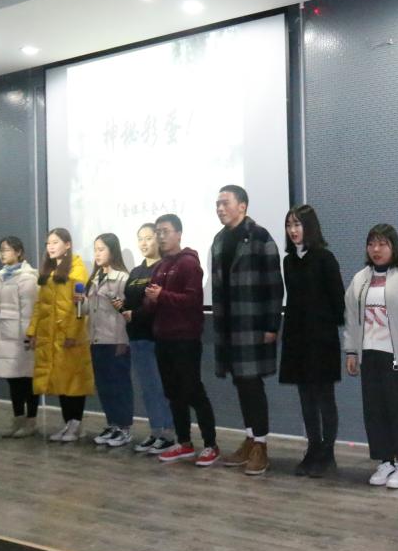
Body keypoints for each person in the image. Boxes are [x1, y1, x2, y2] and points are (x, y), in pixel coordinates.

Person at [344, 224, 398, 488]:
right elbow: (351, 318)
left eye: (382, 244)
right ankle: (385, 461)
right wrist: (351, 351)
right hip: (369, 354)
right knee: (374, 411)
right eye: (371, 244)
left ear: (393, 246)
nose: (376, 249)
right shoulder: (361, 278)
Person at [212, 185, 284, 476]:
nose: (220, 208)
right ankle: (250, 437)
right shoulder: (219, 240)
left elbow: (275, 285)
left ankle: (261, 445)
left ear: (242, 206)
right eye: (217, 204)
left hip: (252, 325)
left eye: (225, 203)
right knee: (241, 384)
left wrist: (271, 325)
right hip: (228, 326)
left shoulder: (260, 236)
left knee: (252, 384)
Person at [145, 214, 220, 466]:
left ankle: (211, 445)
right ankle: (184, 442)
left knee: (193, 390)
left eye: (165, 231)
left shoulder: (189, 263)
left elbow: (192, 300)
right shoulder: (160, 266)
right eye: (157, 232)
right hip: (163, 338)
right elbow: (153, 302)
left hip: (185, 339)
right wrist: (149, 300)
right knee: (173, 393)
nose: (160, 236)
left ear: (178, 234)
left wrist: (162, 295)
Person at [279, 205, 345, 477]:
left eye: (298, 224)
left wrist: (322, 325)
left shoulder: (325, 258)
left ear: (310, 227)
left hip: (321, 339)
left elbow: (338, 301)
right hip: (297, 338)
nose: (293, 230)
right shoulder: (288, 261)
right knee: (305, 398)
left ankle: (328, 453)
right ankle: (313, 448)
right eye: (289, 225)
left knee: (324, 398)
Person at [26, 228, 93, 443]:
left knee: (74, 382)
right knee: (61, 382)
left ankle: (76, 424)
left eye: (55, 242)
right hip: (50, 337)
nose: (51, 247)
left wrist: (73, 333)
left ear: (68, 244)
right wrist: (33, 331)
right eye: (48, 243)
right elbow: (40, 305)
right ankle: (68, 424)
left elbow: (79, 306)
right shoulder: (48, 272)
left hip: (70, 337)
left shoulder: (77, 270)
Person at [115, 223, 176, 454]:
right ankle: (155, 430)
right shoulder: (136, 272)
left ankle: (168, 434)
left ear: (158, 239)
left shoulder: (164, 268)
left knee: (161, 387)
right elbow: (130, 301)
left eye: (149, 237)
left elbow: (158, 303)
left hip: (156, 336)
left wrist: (136, 313)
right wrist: (122, 307)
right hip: (137, 337)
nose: (144, 243)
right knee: (148, 388)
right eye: (140, 238)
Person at [0, 236, 39, 438]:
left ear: (19, 252)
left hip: (20, 336)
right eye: (0, 250)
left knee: (27, 379)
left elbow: (29, 311)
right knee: (13, 380)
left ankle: (31, 421)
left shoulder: (28, 277)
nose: (2, 254)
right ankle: (18, 420)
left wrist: (29, 335)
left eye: (6, 250)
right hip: (2, 334)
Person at [84, 233, 134, 447]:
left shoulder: (122, 277)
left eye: (101, 249)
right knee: (104, 385)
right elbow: (88, 310)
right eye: (95, 249)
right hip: (97, 339)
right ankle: (112, 424)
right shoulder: (94, 278)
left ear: (113, 251)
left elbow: (125, 312)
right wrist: (80, 302)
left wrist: (123, 340)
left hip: (115, 340)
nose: (97, 254)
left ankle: (124, 428)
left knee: (119, 385)